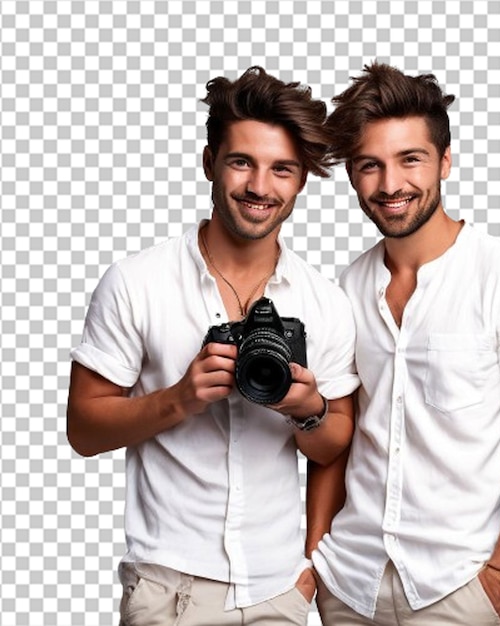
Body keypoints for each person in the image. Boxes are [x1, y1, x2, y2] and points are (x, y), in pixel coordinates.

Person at [67, 66, 359, 626]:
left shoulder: (325, 300)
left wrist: (308, 409)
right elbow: (82, 430)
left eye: (282, 169)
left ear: (300, 181)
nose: (259, 186)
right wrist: (180, 398)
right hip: (170, 589)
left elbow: (334, 443)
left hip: (277, 588)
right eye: (241, 161)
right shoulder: (136, 282)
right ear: (209, 163)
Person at [311, 62, 500, 626]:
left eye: (410, 159)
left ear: (445, 162)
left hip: (457, 587)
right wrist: (315, 559)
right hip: (350, 582)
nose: (390, 185)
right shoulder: (346, 289)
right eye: (370, 166)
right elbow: (341, 432)